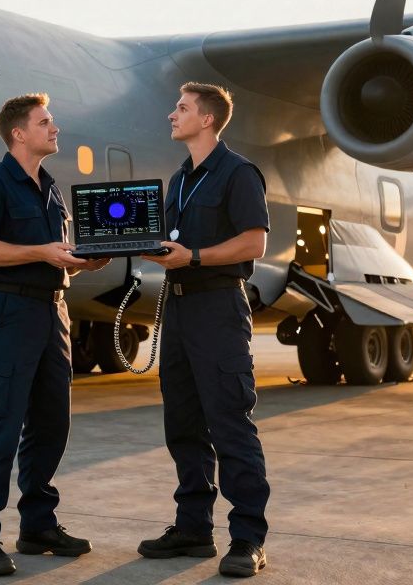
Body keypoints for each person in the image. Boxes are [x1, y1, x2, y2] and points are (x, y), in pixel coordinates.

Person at [0, 92, 110, 577]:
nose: (55, 128)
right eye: (46, 122)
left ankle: (37, 525)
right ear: (19, 133)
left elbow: (52, 256)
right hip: (10, 312)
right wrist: (42, 253)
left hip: (53, 312)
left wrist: (82, 263)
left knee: (52, 424)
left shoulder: (52, 189)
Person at [140, 82, 271, 577]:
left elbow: (254, 243)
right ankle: (193, 528)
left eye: (182, 108)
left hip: (218, 309)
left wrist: (193, 256)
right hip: (177, 309)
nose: (173, 114)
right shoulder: (178, 179)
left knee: (230, 422)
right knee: (184, 424)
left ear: (208, 119)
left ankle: (248, 539)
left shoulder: (238, 173)